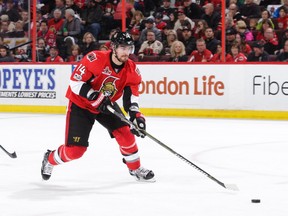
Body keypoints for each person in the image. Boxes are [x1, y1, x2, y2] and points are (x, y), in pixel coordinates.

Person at [41, 31, 155, 182]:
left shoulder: (132, 70)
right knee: (76, 151)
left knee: (126, 133)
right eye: (122, 47)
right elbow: (75, 83)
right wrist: (94, 96)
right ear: (113, 47)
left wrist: (136, 116)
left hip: (105, 104)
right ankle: (49, 159)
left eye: (129, 48)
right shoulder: (95, 58)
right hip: (81, 104)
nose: (126, 52)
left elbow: (131, 97)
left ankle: (135, 169)